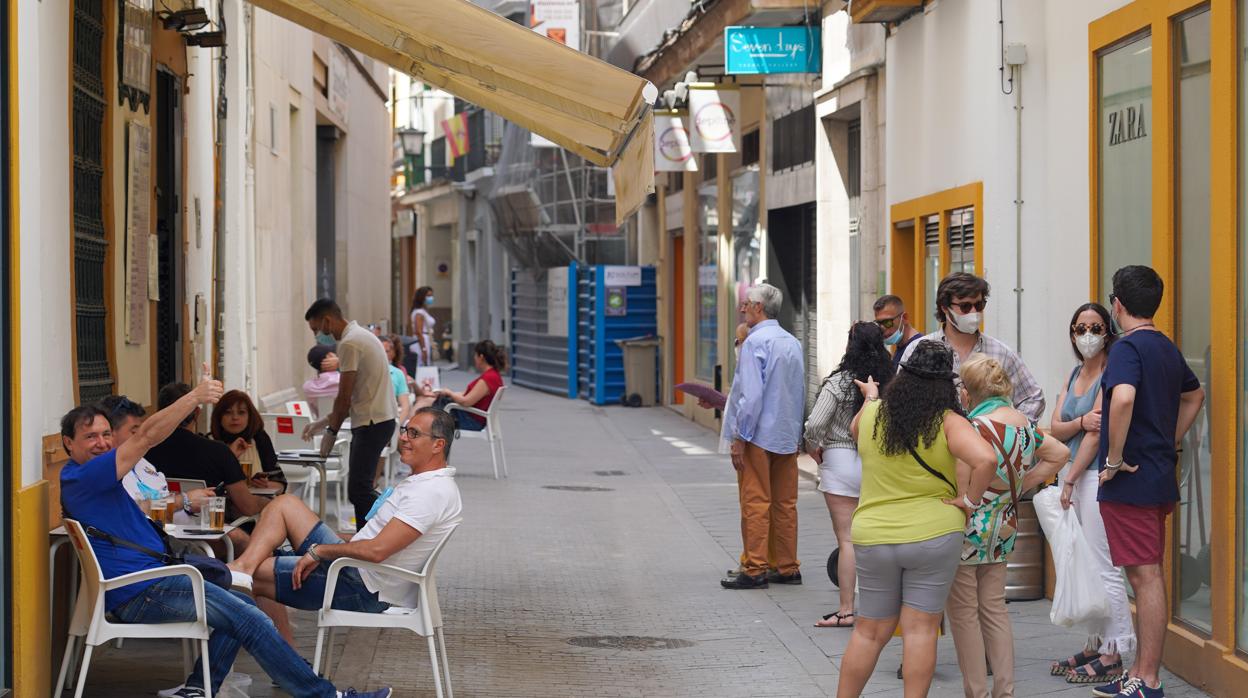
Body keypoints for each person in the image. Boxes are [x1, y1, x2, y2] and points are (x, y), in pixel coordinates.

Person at [58, 368, 392, 698]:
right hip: (143, 591)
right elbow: (145, 436)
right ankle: (325, 696)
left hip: (155, 578)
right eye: (90, 437)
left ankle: (198, 688)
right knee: (251, 620)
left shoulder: (87, 477)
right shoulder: (86, 478)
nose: (102, 443)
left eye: (105, 434)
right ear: (67, 443)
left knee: (241, 595)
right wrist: (195, 397)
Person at [835, 341, 997, 698]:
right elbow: (986, 459)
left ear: (903, 377)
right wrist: (969, 501)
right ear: (946, 384)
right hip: (934, 534)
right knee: (920, 630)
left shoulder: (874, 415)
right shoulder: (949, 422)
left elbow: (854, 431)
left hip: (874, 534)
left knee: (869, 631)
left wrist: (872, 398)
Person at [229, 407, 462, 621]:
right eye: (405, 430)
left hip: (363, 587)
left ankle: (242, 573)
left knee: (243, 580)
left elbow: (376, 550)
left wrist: (319, 550)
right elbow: (374, 540)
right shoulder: (426, 483)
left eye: (414, 433)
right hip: (358, 570)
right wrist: (331, 542)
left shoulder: (430, 492)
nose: (403, 438)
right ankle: (243, 568)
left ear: (437, 445)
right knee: (284, 504)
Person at [1093, 266, 1204, 698]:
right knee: (1146, 573)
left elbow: (1122, 398)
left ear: (1117, 304)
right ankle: (1140, 673)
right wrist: (1169, 437)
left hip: (1132, 481)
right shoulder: (1166, 347)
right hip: (1157, 476)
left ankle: (1148, 680)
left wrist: (1115, 459)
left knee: (1145, 577)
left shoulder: (1127, 348)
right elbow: (1195, 395)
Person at [947, 355, 1069, 698]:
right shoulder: (1025, 425)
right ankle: (1005, 690)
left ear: (968, 393)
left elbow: (962, 481)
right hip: (1005, 523)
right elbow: (1059, 454)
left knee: (963, 612)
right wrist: (1022, 484)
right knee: (995, 608)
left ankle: (977, 692)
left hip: (970, 524)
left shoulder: (972, 427)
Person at [1047, 302, 1136, 685]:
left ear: (1107, 331)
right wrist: (1079, 421)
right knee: (1087, 562)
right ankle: (1098, 642)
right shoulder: (1074, 371)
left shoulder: (1108, 373)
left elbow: (1096, 436)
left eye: (1096, 327)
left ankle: (1118, 650)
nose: (1087, 335)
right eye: (1080, 327)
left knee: (1105, 565)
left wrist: (1070, 477)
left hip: (1094, 476)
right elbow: (1054, 426)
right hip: (1076, 475)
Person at [804, 321, 895, 628]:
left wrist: (814, 446)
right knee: (879, 538)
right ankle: (881, 606)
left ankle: (846, 611)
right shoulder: (889, 380)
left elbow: (815, 423)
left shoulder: (839, 382)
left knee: (848, 541)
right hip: (878, 464)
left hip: (840, 461)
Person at [720, 283, 805, 590]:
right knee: (785, 503)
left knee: (755, 502)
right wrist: (796, 433)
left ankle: (755, 568)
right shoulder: (791, 342)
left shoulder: (756, 342)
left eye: (746, 304)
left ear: (758, 307)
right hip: (785, 434)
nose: (743, 308)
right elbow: (797, 392)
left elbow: (751, 396)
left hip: (757, 435)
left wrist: (739, 437)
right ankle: (786, 566)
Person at [302, 298, 397, 530]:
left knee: (359, 488)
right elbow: (354, 395)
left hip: (372, 422)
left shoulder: (349, 343)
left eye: (317, 329)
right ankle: (370, 537)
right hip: (377, 419)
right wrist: (325, 421)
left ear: (327, 320)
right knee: (360, 488)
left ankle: (386, 530)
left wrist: (330, 433)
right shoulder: (360, 336)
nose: (318, 336)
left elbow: (344, 396)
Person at [899, 272, 1045, 423]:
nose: (974, 312)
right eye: (965, 306)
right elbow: (901, 399)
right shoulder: (918, 349)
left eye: (979, 305)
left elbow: (1033, 398)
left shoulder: (1001, 353)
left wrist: (1011, 432)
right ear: (944, 308)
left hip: (988, 444)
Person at [97, 395, 213, 527]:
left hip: (180, 535)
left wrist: (190, 504)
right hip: (151, 542)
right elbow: (134, 512)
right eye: (135, 432)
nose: (142, 438)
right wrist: (184, 500)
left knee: (236, 537)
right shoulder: (106, 471)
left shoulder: (145, 465)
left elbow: (167, 509)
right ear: (109, 433)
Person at [416, 340, 506, 432]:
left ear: (481, 357)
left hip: (470, 420)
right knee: (426, 400)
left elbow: (466, 401)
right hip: (469, 415)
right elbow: (466, 394)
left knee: (424, 403)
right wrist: (447, 393)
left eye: (475, 355)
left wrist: (449, 393)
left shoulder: (488, 378)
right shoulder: (493, 376)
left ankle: (409, 429)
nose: (474, 358)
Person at [210, 390, 280, 482]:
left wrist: (267, 485)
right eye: (228, 412)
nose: (235, 417)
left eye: (241, 412)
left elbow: (279, 481)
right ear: (219, 417)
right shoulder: (208, 442)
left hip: (259, 495)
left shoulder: (259, 438)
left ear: (250, 416)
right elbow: (207, 482)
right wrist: (229, 456)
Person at [873, 294, 923, 371]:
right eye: (879, 323)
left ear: (905, 318)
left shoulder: (919, 349)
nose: (882, 328)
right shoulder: (901, 348)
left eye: (887, 322)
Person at [383, 334, 413, 425]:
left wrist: (397, 428)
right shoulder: (365, 372)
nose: (383, 354)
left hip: (391, 421)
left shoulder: (398, 373)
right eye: (380, 351)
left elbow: (405, 406)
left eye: (387, 351)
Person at [409, 286, 437, 366]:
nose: (431, 298)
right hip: (421, 342)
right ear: (422, 297)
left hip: (426, 340)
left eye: (431, 295)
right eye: (428, 296)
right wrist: (423, 349)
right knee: (421, 365)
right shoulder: (419, 313)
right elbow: (419, 332)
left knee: (425, 365)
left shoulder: (423, 311)